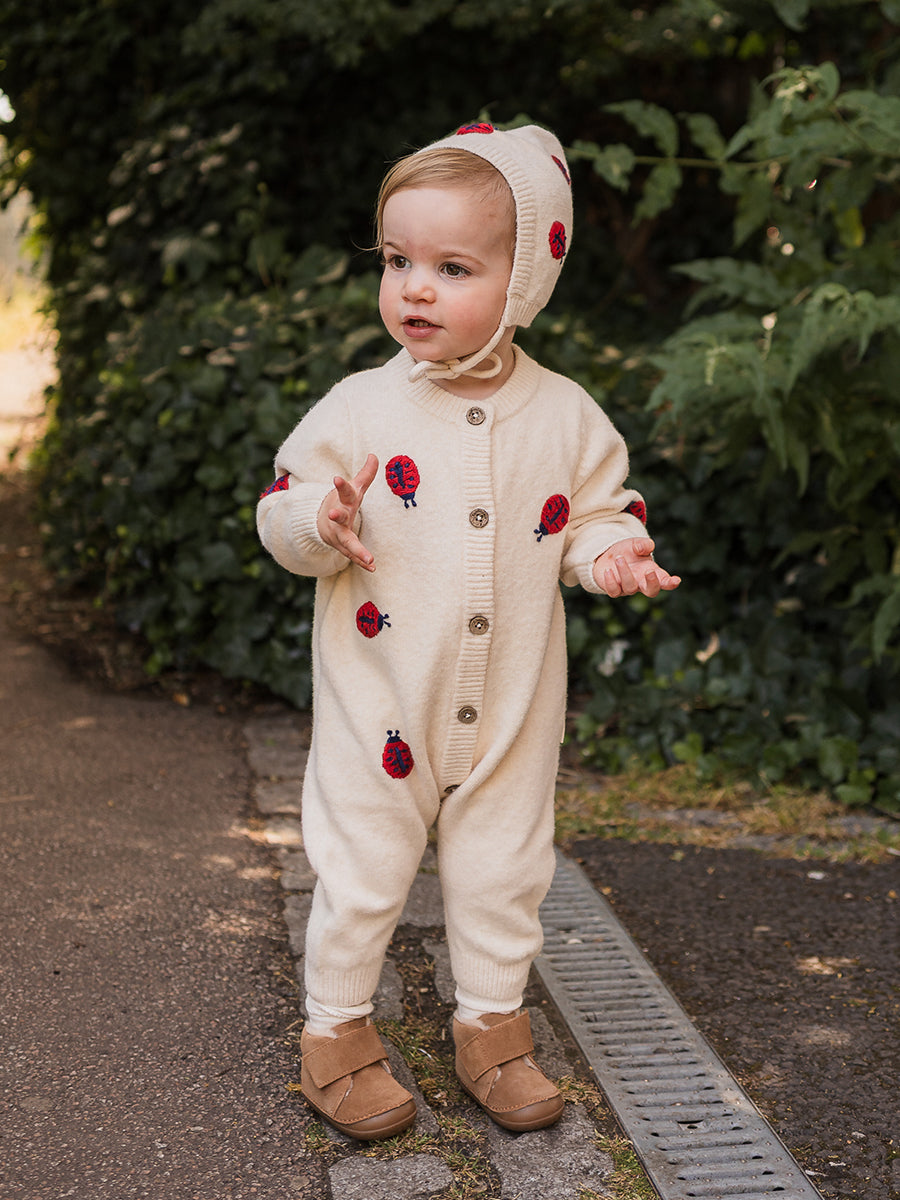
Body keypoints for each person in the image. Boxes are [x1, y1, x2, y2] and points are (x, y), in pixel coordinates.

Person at [256, 121, 680, 1141]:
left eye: (452, 268)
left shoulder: (567, 415)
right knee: (362, 868)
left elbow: (594, 514)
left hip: (511, 708)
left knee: (505, 870)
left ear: (525, 280)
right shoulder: (359, 408)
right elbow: (282, 508)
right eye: (396, 260)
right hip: (382, 703)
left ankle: (492, 1031)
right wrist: (318, 521)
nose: (414, 289)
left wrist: (610, 555)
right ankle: (335, 1036)